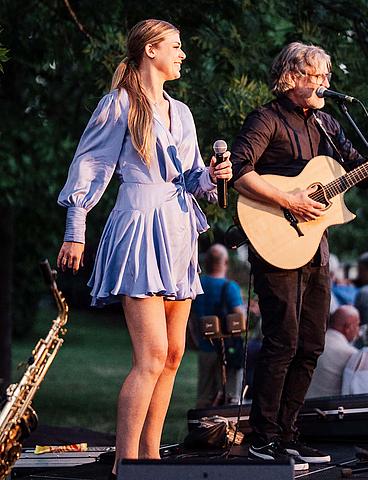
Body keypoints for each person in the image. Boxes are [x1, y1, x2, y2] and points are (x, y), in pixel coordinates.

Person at [230, 41, 368, 470]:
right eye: (317, 75)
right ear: (292, 77)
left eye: (327, 76)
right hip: (276, 242)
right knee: (281, 341)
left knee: (310, 345)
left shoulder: (326, 122)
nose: (325, 82)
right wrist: (290, 200)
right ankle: (263, 438)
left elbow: (366, 171)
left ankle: (288, 435)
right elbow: (241, 172)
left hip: (314, 247)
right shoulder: (266, 119)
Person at [56, 19, 232, 477]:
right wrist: (76, 229)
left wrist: (212, 176)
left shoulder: (183, 112)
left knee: (173, 355)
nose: (183, 54)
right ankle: (126, 462)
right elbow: (90, 165)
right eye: (176, 46)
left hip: (178, 231)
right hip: (139, 226)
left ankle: (151, 459)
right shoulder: (119, 103)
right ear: (150, 50)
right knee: (151, 355)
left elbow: (191, 178)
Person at [190, 244, 244, 407]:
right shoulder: (230, 287)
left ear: (206, 263)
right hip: (227, 349)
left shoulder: (197, 285)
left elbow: (191, 318)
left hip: (205, 347)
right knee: (230, 395)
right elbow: (240, 317)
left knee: (205, 394)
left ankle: (201, 421)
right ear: (225, 262)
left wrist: (196, 340)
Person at [306, 305, 360, 397]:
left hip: (301, 401)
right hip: (328, 405)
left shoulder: (312, 341)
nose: (358, 330)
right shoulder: (351, 354)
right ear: (348, 328)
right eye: (357, 325)